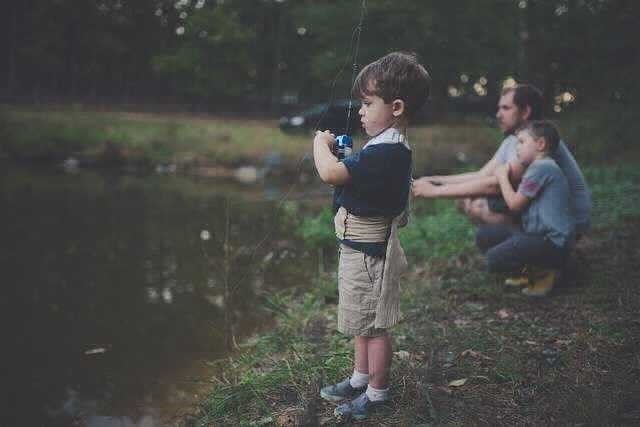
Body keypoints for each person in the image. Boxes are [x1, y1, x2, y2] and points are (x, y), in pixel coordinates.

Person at [313, 51, 430, 420]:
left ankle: (377, 393)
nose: (361, 111)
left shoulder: (388, 151)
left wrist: (320, 144)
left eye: (367, 103)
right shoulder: (384, 146)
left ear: (395, 106)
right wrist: (344, 155)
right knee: (361, 319)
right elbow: (357, 175)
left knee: (375, 326)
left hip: (369, 253)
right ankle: (361, 376)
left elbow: (331, 174)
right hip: (358, 248)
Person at [412, 84, 592, 235]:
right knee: (466, 199)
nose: (498, 114)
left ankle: (538, 260)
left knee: (478, 204)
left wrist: (434, 192)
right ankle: (525, 256)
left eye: (506, 108)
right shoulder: (514, 139)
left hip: (571, 221)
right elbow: (482, 175)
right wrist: (435, 180)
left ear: (526, 111)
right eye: (499, 108)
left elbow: (494, 184)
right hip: (547, 214)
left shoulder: (534, 143)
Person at [476, 121, 575, 296]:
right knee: (484, 235)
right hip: (537, 237)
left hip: (553, 243)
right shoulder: (539, 168)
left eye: (521, 142)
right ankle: (531, 269)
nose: (517, 148)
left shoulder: (542, 168)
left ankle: (546, 271)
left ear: (541, 144)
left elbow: (514, 204)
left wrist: (501, 176)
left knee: (494, 259)